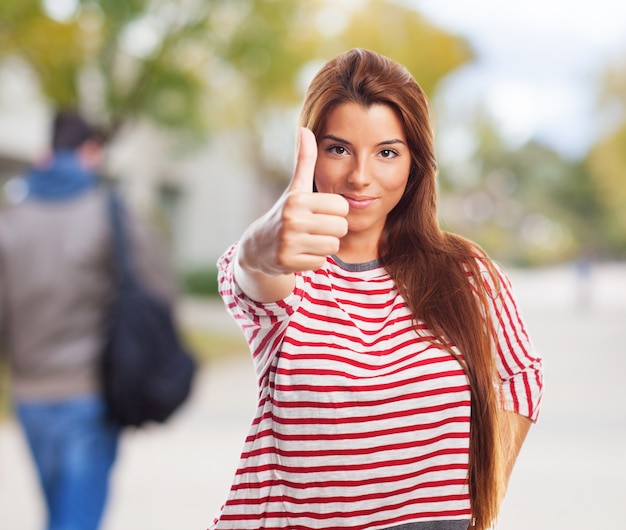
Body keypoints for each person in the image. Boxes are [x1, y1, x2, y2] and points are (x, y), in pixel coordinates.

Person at [214, 49, 543, 530]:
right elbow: (250, 274)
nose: (360, 176)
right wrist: (258, 247)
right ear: (311, 156)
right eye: (339, 149)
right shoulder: (294, 271)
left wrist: (476, 506)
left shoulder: (465, 273)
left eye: (386, 152)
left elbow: (520, 377)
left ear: (415, 164)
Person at [0, 110, 176, 530]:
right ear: (91, 152)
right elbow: (160, 292)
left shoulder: (10, 219)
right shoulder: (110, 213)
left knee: (60, 513)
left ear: (47, 153)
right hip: (91, 393)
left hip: (29, 395)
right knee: (75, 520)